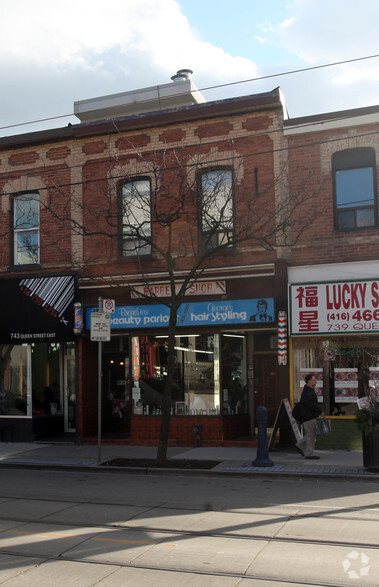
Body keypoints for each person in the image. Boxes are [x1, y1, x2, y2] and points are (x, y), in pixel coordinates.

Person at [295, 373, 324, 459]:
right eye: (314, 380)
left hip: (308, 416)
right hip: (308, 416)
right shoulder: (308, 392)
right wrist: (319, 412)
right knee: (311, 435)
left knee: (310, 434)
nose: (315, 382)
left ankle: (300, 445)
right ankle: (309, 453)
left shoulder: (309, 390)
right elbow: (311, 404)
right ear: (309, 381)